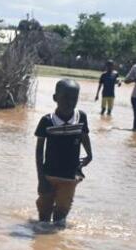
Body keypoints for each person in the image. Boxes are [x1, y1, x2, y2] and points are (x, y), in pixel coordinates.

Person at [34, 78, 93, 226]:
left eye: (74, 99)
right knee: (44, 213)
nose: (70, 103)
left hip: (70, 176)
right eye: (65, 98)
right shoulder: (47, 121)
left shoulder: (81, 118)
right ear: (55, 98)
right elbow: (39, 151)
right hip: (49, 175)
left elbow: (84, 136)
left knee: (62, 211)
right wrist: (41, 179)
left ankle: (56, 238)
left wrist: (90, 154)